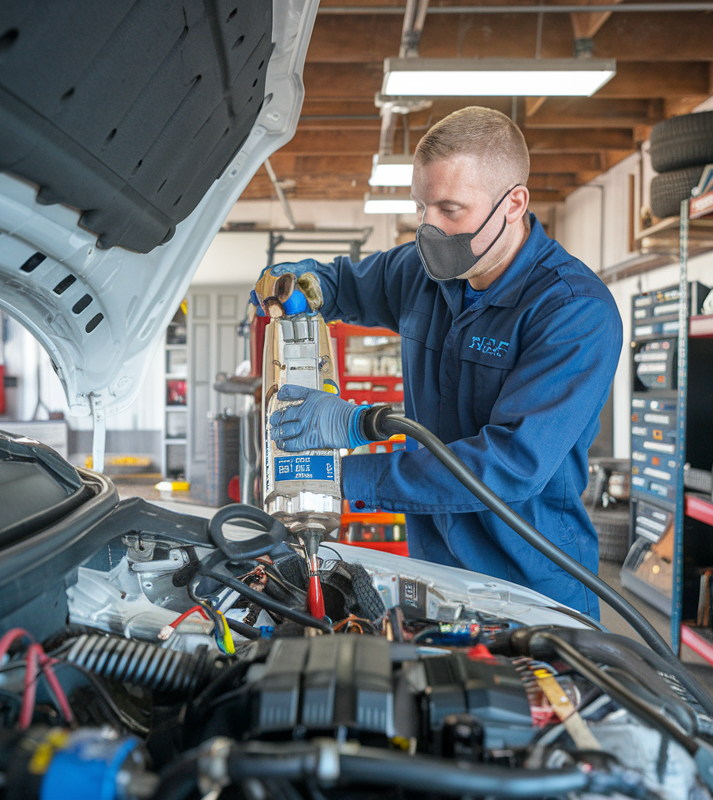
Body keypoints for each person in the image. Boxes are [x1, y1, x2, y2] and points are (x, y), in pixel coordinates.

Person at [256, 107, 623, 617]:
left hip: (530, 586)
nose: (429, 227)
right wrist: (303, 283)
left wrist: (347, 478)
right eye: (422, 206)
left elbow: (509, 465)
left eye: (450, 209)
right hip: (431, 571)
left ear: (514, 203)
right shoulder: (422, 273)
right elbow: (342, 283)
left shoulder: (573, 311)